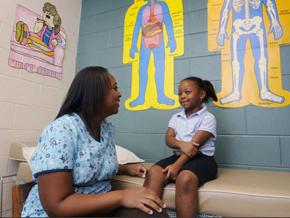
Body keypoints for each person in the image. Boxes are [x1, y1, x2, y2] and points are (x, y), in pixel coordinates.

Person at [21, 66, 168, 217]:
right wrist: (123, 196)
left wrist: (126, 169)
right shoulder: (61, 130)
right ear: (95, 93)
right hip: (64, 212)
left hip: (99, 207)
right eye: (114, 88)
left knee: (154, 211)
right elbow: (58, 206)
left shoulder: (106, 129)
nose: (120, 94)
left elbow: (92, 164)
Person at [144, 77, 218, 218]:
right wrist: (182, 144)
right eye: (180, 93)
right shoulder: (176, 117)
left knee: (184, 178)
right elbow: (169, 139)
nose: (182, 96)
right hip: (179, 155)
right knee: (154, 172)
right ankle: (148, 215)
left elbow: (194, 148)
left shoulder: (208, 118)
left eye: (187, 92)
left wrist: (177, 166)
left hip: (203, 159)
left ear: (201, 94)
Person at [216, 0, 284, 104]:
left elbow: (269, 3)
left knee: (262, 59)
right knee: (236, 61)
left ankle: (264, 91)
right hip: (238, 28)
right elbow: (225, 10)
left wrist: (275, 21)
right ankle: (236, 92)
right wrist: (221, 29)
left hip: (256, 25)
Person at [129, 0, 177, 107]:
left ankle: (161, 96)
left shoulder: (162, 5)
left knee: (160, 68)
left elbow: (168, 21)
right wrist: (133, 46)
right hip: (145, 41)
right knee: (142, 69)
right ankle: (141, 97)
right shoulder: (142, 9)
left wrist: (172, 39)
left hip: (159, 40)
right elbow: (137, 26)